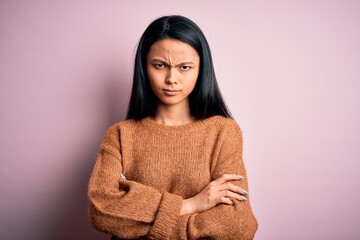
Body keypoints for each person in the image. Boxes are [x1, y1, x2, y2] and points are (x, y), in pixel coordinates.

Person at [88, 15, 258, 239]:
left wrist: (138, 215)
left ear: (201, 69)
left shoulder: (223, 132)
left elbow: (238, 226)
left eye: (184, 67)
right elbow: (102, 211)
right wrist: (192, 204)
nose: (172, 78)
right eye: (160, 65)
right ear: (144, 67)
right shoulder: (120, 135)